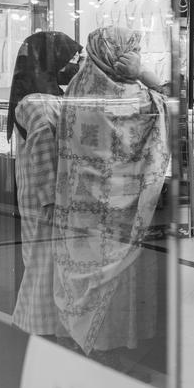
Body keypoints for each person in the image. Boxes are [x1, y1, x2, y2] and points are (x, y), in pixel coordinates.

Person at [52, 26, 170, 356]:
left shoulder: (78, 84)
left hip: (80, 206)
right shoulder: (133, 94)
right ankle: (114, 349)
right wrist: (146, 75)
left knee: (81, 265)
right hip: (121, 215)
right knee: (119, 286)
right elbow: (167, 105)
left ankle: (78, 337)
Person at [8, 31, 83, 337]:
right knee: (42, 264)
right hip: (44, 197)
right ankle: (42, 328)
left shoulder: (50, 97)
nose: (74, 65)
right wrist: (51, 201)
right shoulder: (35, 103)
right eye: (70, 60)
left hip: (52, 194)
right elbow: (41, 151)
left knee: (54, 265)